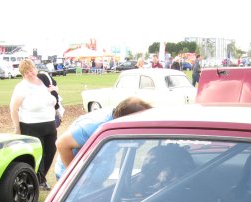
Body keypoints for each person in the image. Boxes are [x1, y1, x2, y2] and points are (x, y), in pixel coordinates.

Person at [54, 97, 152, 181]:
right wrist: (75, 177)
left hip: (93, 177)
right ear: (125, 119)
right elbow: (62, 144)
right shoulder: (96, 126)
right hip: (75, 180)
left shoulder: (118, 120)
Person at [10, 58, 57, 190]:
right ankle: (39, 180)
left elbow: (54, 94)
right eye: (26, 73)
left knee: (51, 150)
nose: (30, 74)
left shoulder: (43, 81)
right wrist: (17, 127)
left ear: (35, 68)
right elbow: (14, 108)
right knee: (39, 154)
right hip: (30, 125)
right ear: (22, 74)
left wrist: (55, 92)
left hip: (49, 122)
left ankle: (40, 177)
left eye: (31, 70)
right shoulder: (21, 87)